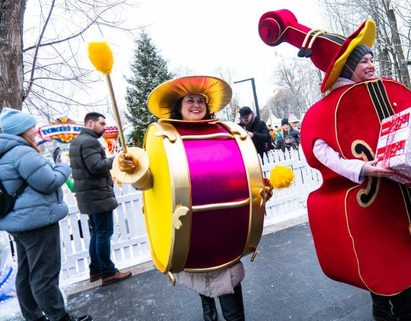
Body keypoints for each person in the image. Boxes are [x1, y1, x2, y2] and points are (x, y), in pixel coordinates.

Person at [259, 9, 411, 321]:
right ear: (347, 67)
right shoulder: (327, 109)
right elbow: (323, 153)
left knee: (392, 270)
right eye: (363, 61)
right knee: (384, 269)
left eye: (371, 60)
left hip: (403, 191)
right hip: (371, 197)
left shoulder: (389, 90)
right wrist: (363, 169)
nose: (371, 65)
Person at [116, 76, 272, 321]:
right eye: (190, 100)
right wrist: (134, 171)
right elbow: (149, 183)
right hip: (190, 231)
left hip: (222, 227)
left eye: (201, 100)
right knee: (201, 276)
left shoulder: (225, 132)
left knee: (227, 282)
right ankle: (209, 315)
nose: (196, 105)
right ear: (179, 105)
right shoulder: (164, 138)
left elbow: (242, 172)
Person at [0, 107, 92, 321]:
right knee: (44, 275)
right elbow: (48, 181)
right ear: (21, 130)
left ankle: (34, 317)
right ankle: (59, 317)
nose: (35, 130)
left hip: (19, 221)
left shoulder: (6, 152)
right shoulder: (21, 152)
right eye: (31, 127)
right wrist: (62, 167)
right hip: (37, 221)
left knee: (25, 273)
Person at [69, 112, 132, 286]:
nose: (104, 128)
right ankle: (108, 272)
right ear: (90, 123)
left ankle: (95, 269)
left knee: (97, 233)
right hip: (98, 196)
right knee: (104, 233)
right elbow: (96, 167)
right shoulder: (89, 142)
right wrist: (116, 159)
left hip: (89, 196)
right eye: (102, 124)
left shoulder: (76, 141)